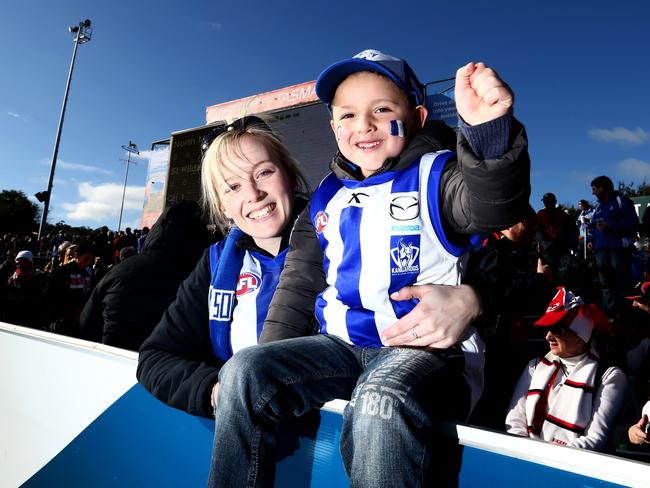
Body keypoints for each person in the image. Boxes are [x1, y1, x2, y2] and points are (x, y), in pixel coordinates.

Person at [211, 50, 531, 487]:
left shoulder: (438, 175)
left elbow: (493, 205)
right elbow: (298, 287)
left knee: (379, 399)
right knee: (244, 372)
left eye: (382, 110)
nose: (364, 125)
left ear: (416, 117)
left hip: (425, 353)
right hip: (341, 348)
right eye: (348, 114)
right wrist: (268, 359)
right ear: (333, 127)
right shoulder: (325, 198)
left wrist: (489, 133)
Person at [136, 117, 311, 416]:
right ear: (221, 206)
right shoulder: (216, 264)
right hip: (248, 436)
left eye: (264, 172)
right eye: (232, 187)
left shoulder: (342, 240)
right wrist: (218, 392)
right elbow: (155, 357)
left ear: (290, 176)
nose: (253, 194)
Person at [506, 288, 627, 451]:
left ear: (581, 338)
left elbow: (596, 438)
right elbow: (514, 422)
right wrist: (526, 455)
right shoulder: (535, 366)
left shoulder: (609, 376)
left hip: (569, 467)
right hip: (525, 458)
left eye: (557, 329)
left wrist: (553, 460)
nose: (548, 336)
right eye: (547, 328)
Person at [80, 201, 211, 351]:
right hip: (175, 369)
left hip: (114, 361)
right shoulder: (203, 277)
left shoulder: (119, 270)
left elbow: (86, 325)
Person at [589, 175, 639, 315]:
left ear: (602, 188)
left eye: (594, 189)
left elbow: (632, 222)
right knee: (605, 284)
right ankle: (609, 315)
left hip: (618, 248)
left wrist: (612, 225)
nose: (593, 192)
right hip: (600, 250)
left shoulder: (622, 201)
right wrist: (591, 241)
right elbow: (592, 226)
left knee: (621, 280)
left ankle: (626, 313)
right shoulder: (598, 207)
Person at [43, 240, 97, 338]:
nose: (89, 262)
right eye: (86, 259)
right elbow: (49, 297)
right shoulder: (61, 272)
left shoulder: (87, 275)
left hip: (78, 323)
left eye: (90, 260)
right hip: (61, 324)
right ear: (76, 255)